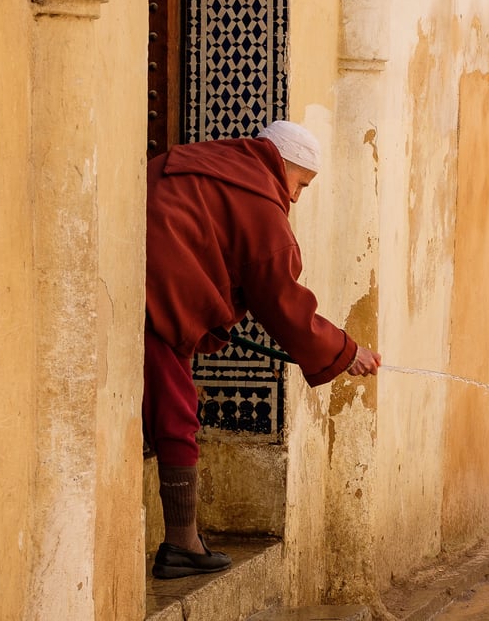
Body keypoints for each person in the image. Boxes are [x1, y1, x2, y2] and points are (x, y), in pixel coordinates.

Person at [144, 120, 382, 579]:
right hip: (158, 293)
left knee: (169, 404)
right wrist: (347, 350)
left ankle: (185, 543)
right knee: (177, 411)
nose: (294, 197)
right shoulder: (259, 201)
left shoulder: (211, 159)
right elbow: (282, 299)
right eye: (300, 184)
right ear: (284, 165)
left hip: (136, 273)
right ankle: (181, 545)